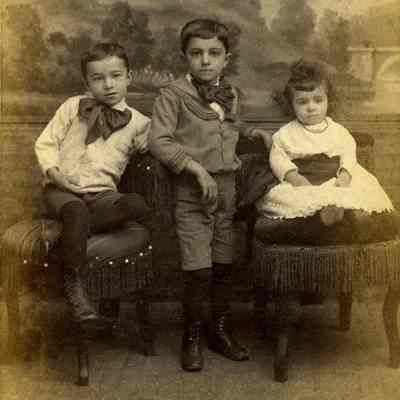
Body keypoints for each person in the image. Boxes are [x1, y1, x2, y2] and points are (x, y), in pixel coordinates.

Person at [149, 18, 250, 371]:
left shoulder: (231, 94)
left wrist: (254, 135)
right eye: (196, 53)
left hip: (228, 190)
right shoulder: (172, 95)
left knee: (223, 263)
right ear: (185, 57)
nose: (205, 60)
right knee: (198, 268)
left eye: (214, 53)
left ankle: (218, 332)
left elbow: (229, 130)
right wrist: (195, 168)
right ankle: (190, 337)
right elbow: (158, 141)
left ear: (226, 58)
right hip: (192, 192)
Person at [35, 42, 153, 326]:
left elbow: (158, 145)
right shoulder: (73, 107)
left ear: (129, 77)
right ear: (87, 82)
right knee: (75, 209)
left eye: (115, 76)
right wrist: (56, 175)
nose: (108, 85)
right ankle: (73, 285)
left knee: (135, 204)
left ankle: (67, 234)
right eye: (98, 78)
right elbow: (46, 143)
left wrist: (150, 143)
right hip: (62, 191)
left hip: (102, 197)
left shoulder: (139, 123)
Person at [252, 59, 399, 245]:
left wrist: (344, 175)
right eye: (302, 102)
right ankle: (322, 220)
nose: (311, 107)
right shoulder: (285, 133)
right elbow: (278, 159)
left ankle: (356, 217)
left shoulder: (338, 131)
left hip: (335, 178)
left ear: (328, 101)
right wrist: (295, 178)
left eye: (318, 100)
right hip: (303, 180)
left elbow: (348, 154)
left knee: (357, 193)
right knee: (291, 200)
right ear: (291, 105)